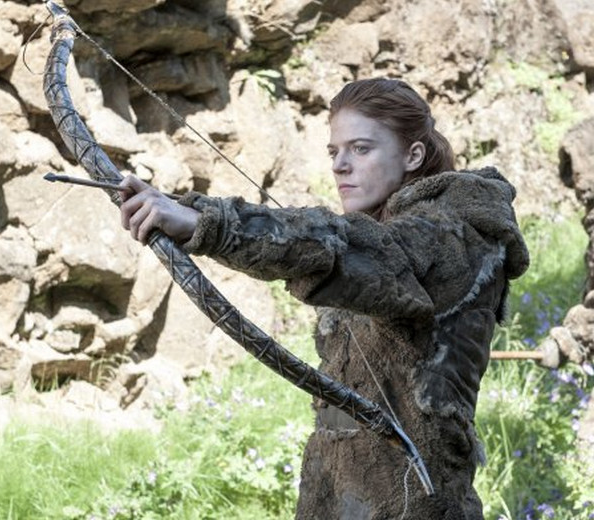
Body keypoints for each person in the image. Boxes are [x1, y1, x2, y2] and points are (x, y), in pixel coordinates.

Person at [119, 78, 529, 519]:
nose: (340, 165)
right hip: (337, 490)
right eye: (334, 151)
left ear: (413, 155)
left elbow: (359, 250)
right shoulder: (381, 231)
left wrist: (208, 222)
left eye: (361, 149)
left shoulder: (458, 236)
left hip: (418, 500)